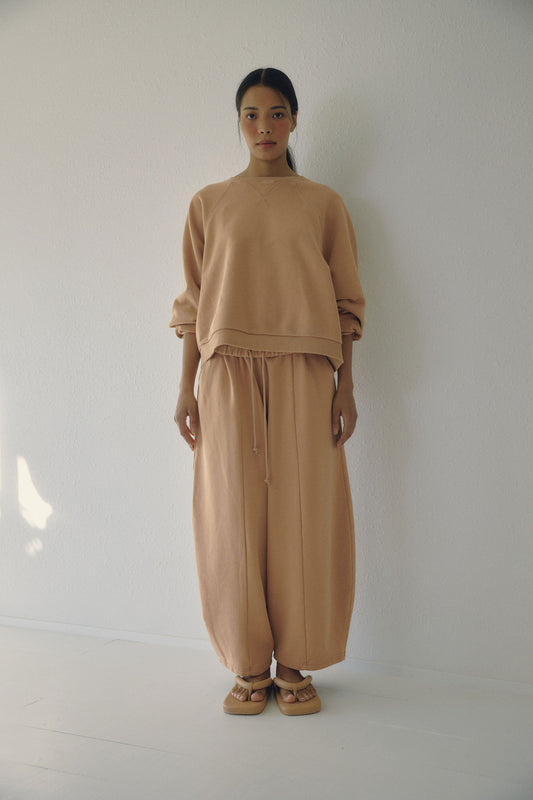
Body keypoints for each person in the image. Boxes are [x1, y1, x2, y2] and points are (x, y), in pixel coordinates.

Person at [169, 67, 365, 716]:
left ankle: (296, 664)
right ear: (238, 123)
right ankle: (248, 664)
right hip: (226, 374)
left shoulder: (323, 204)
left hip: (306, 371)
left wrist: (345, 387)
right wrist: (185, 389)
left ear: (294, 120)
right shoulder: (208, 204)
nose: (264, 127)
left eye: (277, 113)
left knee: (304, 516)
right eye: (251, 115)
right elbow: (194, 305)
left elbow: (346, 305)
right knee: (231, 518)